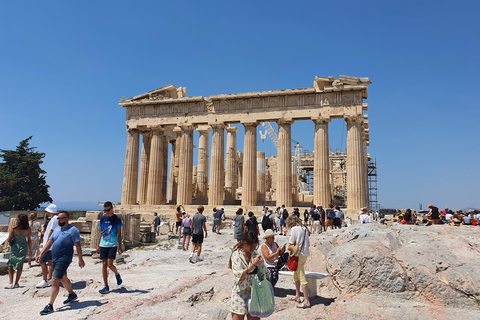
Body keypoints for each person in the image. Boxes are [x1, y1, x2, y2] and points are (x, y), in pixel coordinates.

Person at [36, 211, 85, 315]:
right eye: (58, 218)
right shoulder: (57, 229)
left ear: (67, 219)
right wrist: (41, 254)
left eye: (61, 218)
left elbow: (78, 245)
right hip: (55, 258)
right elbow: (50, 242)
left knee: (54, 281)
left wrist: (80, 259)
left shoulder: (73, 230)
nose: (59, 220)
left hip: (64, 258)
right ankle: (72, 294)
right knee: (63, 278)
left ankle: (50, 305)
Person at [228, 231, 264, 320]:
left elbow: (263, 275)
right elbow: (238, 277)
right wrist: (253, 265)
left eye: (255, 247)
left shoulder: (255, 254)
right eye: (252, 247)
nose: (254, 249)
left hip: (254, 293)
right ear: (245, 243)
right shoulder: (236, 255)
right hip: (240, 293)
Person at [96, 201, 123, 294]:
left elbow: (119, 234)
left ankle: (117, 274)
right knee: (104, 265)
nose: (106, 212)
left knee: (110, 265)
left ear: (112, 208)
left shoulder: (117, 219)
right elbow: (101, 232)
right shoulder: (103, 219)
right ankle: (106, 286)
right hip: (103, 244)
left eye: (108, 210)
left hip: (112, 244)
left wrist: (120, 247)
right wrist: (97, 245)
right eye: (105, 210)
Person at [286, 215, 311, 308]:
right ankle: (297, 296)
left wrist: (287, 234)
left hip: (298, 255)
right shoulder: (304, 228)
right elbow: (308, 243)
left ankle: (307, 301)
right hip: (304, 254)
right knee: (295, 274)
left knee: (301, 277)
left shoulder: (294, 229)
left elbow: (291, 243)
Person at [5, 214, 31, 289]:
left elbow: (9, 239)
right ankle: (16, 283)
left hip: (15, 248)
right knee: (20, 265)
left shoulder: (14, 229)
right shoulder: (28, 229)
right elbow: (29, 240)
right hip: (24, 247)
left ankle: (11, 282)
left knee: (11, 265)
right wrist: (30, 250)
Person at [37, 204, 59, 288]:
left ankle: (45, 280)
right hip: (52, 245)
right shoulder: (55, 219)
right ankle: (50, 278)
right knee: (50, 261)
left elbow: (51, 231)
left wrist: (47, 242)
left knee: (42, 261)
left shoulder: (54, 220)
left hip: (49, 245)